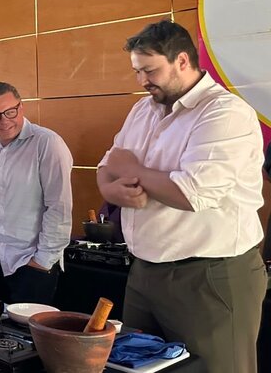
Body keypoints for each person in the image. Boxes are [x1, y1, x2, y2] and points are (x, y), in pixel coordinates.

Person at [97, 20, 265, 372]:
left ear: (183, 61)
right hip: (145, 271)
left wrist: (135, 172)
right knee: (133, 367)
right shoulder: (143, 109)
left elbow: (192, 193)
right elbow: (107, 168)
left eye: (150, 70)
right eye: (137, 71)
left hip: (210, 275)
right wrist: (113, 191)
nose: (143, 80)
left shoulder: (225, 113)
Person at [0, 82, 73, 305]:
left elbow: (58, 206)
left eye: (10, 112)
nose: (4, 120)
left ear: (21, 107)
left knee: (27, 337)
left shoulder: (47, 143)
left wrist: (42, 260)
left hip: (31, 262)